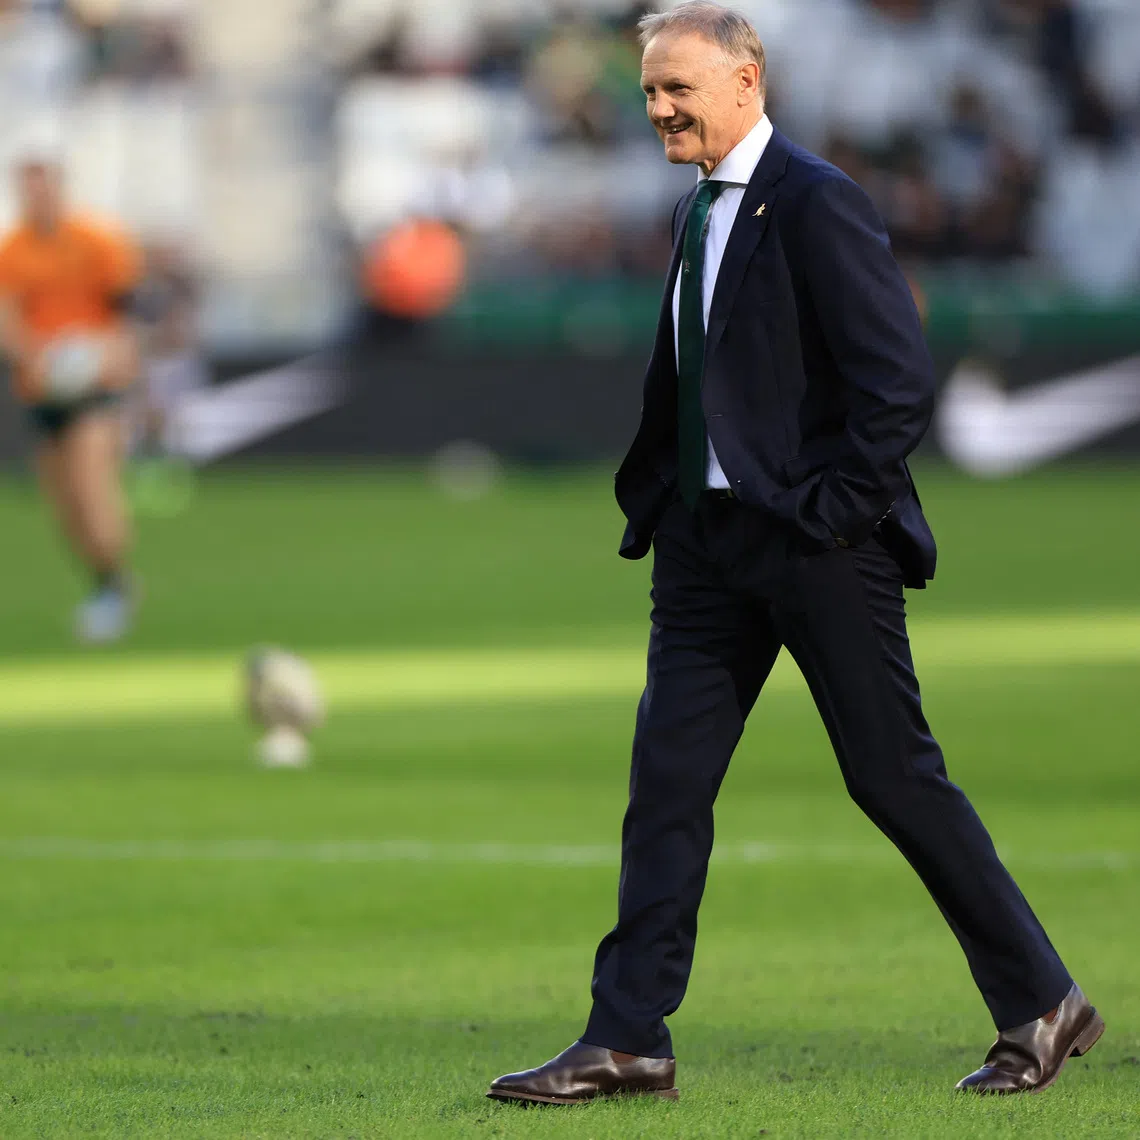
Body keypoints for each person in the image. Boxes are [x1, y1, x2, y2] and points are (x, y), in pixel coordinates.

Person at [487, 1, 1102, 1105]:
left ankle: (1044, 1002)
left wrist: (826, 511)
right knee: (665, 787)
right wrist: (678, 505)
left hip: (818, 547)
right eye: (649, 92)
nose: (660, 108)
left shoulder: (818, 202)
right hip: (706, 552)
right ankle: (628, 1036)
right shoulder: (697, 209)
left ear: (746, 79)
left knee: (894, 780)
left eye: (678, 87)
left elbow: (897, 381)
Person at [0, 155, 142, 642]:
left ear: (59, 188)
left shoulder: (98, 241)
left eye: (42, 186)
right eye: (26, 188)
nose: (34, 197)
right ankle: (106, 579)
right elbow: (8, 319)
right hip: (42, 390)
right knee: (65, 511)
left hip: (93, 389)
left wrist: (106, 356)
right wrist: (32, 354)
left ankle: (114, 586)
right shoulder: (12, 250)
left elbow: (124, 317)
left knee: (92, 488)